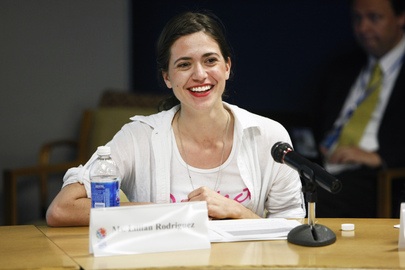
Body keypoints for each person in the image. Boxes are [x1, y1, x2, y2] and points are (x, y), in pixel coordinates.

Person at [46, 11, 305, 227]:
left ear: (227, 67)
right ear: (167, 78)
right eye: (184, 64)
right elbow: (62, 209)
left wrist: (238, 212)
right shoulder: (138, 136)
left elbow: (293, 226)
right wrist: (175, 213)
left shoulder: (269, 136)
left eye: (210, 60)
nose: (200, 74)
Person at [313, 0, 405, 218]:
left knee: (310, 202)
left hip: (377, 177)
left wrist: (380, 158)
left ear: (401, 17)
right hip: (325, 165)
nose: (363, 28)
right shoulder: (344, 66)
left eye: (374, 18)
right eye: (358, 18)